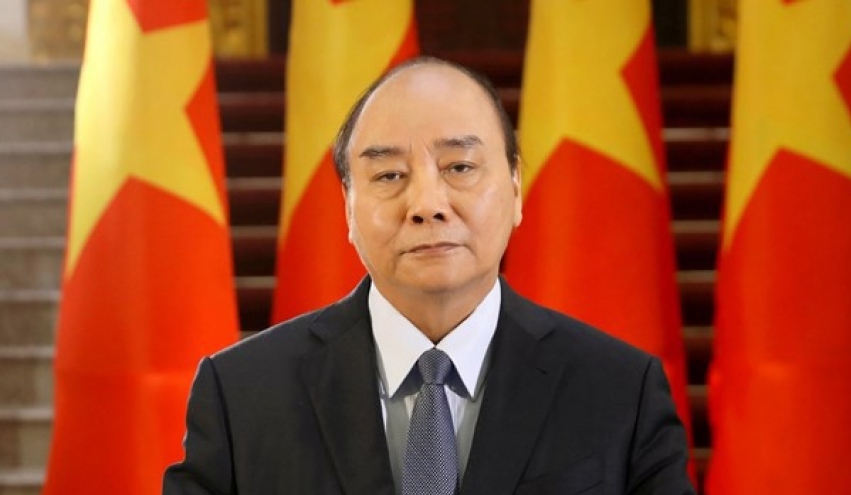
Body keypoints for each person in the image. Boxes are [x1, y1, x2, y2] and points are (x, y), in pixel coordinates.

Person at [163, 57, 694, 494]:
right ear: (347, 206)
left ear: (515, 188)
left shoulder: (621, 393)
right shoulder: (242, 395)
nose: (426, 204)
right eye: (389, 175)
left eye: (459, 167)